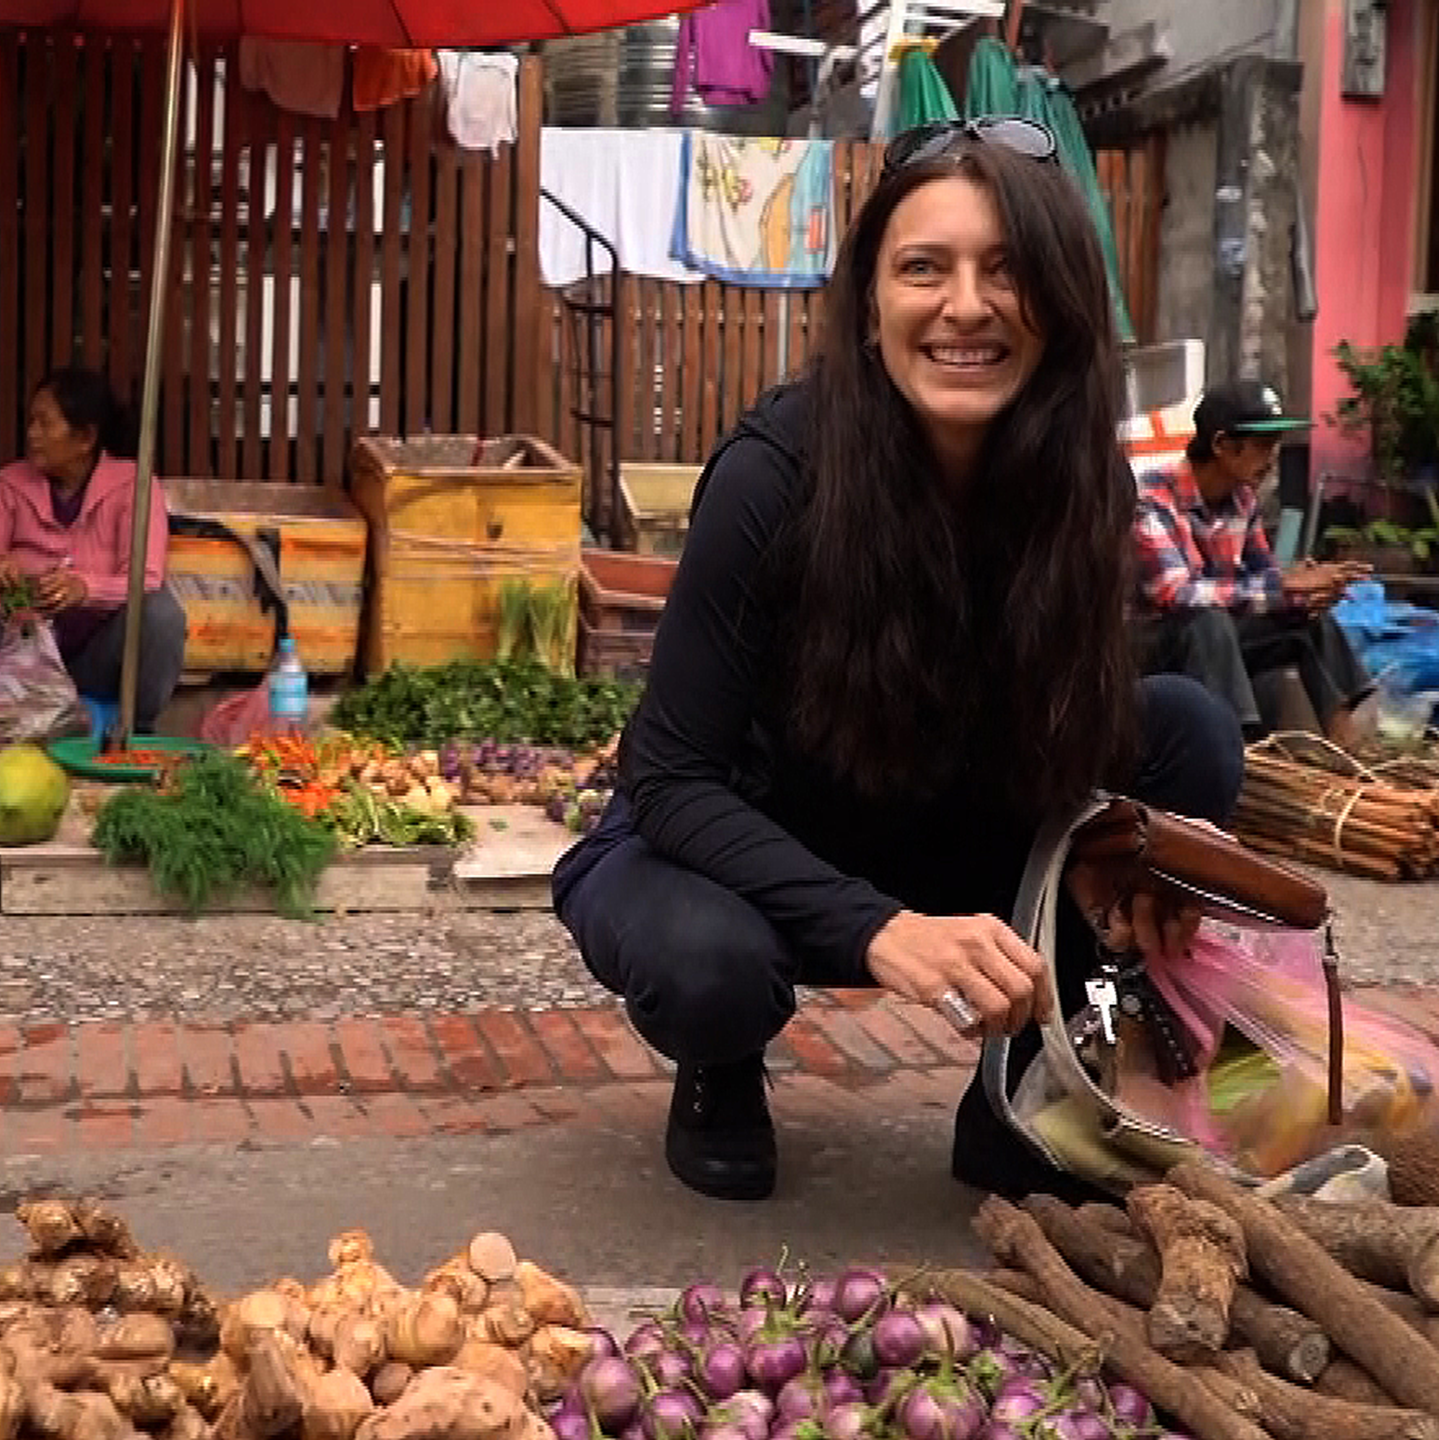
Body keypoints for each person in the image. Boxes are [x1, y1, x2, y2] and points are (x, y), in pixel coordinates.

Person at [551, 117, 1247, 1207]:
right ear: (870, 305)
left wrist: (1130, 860)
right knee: (712, 970)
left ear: (1056, 305)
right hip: (739, 836)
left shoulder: (1084, 488)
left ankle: (1029, 1080)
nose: (965, 306)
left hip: (938, 817)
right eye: (923, 267)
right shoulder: (772, 478)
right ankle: (722, 1064)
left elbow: (1072, 733)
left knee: (1189, 729)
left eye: (1004, 271)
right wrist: (876, 929)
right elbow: (670, 779)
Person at [0, 367, 187, 731]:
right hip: (13, 652)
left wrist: (85, 589)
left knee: (161, 614)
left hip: (93, 659)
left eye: (44, 423)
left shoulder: (134, 485)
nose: (32, 434)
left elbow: (145, 578)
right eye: (31, 421)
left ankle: (134, 729)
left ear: (85, 437)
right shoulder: (9, 483)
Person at [1134, 381, 1376, 746]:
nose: (1272, 458)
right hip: (1144, 645)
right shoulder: (1153, 496)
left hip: (1214, 643)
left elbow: (1264, 581)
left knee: (1306, 621)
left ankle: (1349, 748)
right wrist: (1285, 587)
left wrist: (1307, 595)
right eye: (1263, 446)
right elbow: (1175, 593)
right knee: (1209, 621)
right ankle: (1238, 747)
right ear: (1220, 446)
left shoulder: (1243, 501)